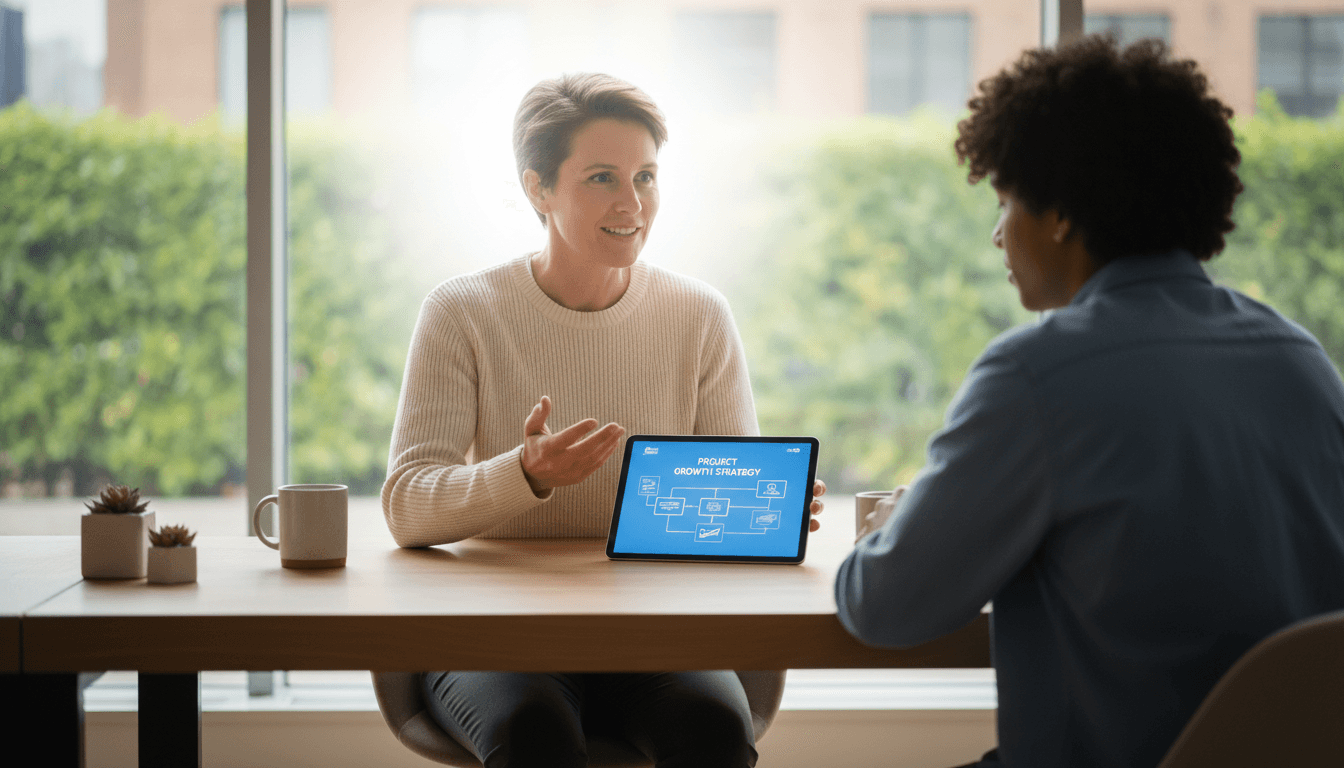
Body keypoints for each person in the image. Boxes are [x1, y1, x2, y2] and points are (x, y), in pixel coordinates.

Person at [835, 35, 1344, 768]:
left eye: (1006, 200)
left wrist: (883, 532)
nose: (997, 233)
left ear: (1063, 213)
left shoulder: (1037, 374)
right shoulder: (1303, 361)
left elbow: (883, 609)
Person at [382, 73, 824, 768]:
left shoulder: (699, 314)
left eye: (646, 177)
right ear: (538, 190)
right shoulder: (462, 311)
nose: (632, 203)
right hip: (499, 638)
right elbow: (406, 507)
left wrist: (764, 512)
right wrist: (523, 473)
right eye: (600, 178)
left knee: (711, 733)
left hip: (657, 638)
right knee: (534, 738)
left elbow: (729, 510)